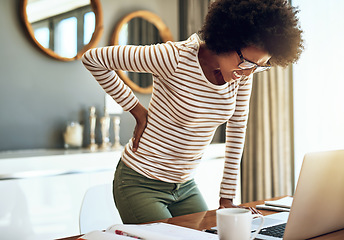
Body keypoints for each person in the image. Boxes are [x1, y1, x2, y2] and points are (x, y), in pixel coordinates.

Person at [82, 0, 303, 224]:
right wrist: (137, 110)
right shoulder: (173, 57)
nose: (249, 73)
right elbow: (93, 59)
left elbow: (237, 128)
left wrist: (227, 198)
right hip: (141, 181)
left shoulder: (242, 74)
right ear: (227, 38)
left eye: (259, 66)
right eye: (247, 63)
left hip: (185, 186)